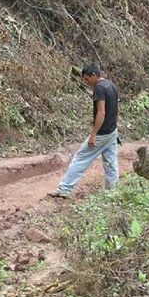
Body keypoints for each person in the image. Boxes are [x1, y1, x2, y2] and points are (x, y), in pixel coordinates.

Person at [49, 63, 120, 198]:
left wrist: (93, 134)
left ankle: (65, 189)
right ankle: (113, 192)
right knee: (111, 162)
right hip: (112, 131)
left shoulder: (99, 88)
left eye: (87, 79)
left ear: (93, 75)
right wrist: (114, 126)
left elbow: (101, 113)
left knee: (81, 158)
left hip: (102, 134)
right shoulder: (111, 85)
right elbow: (116, 110)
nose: (87, 82)